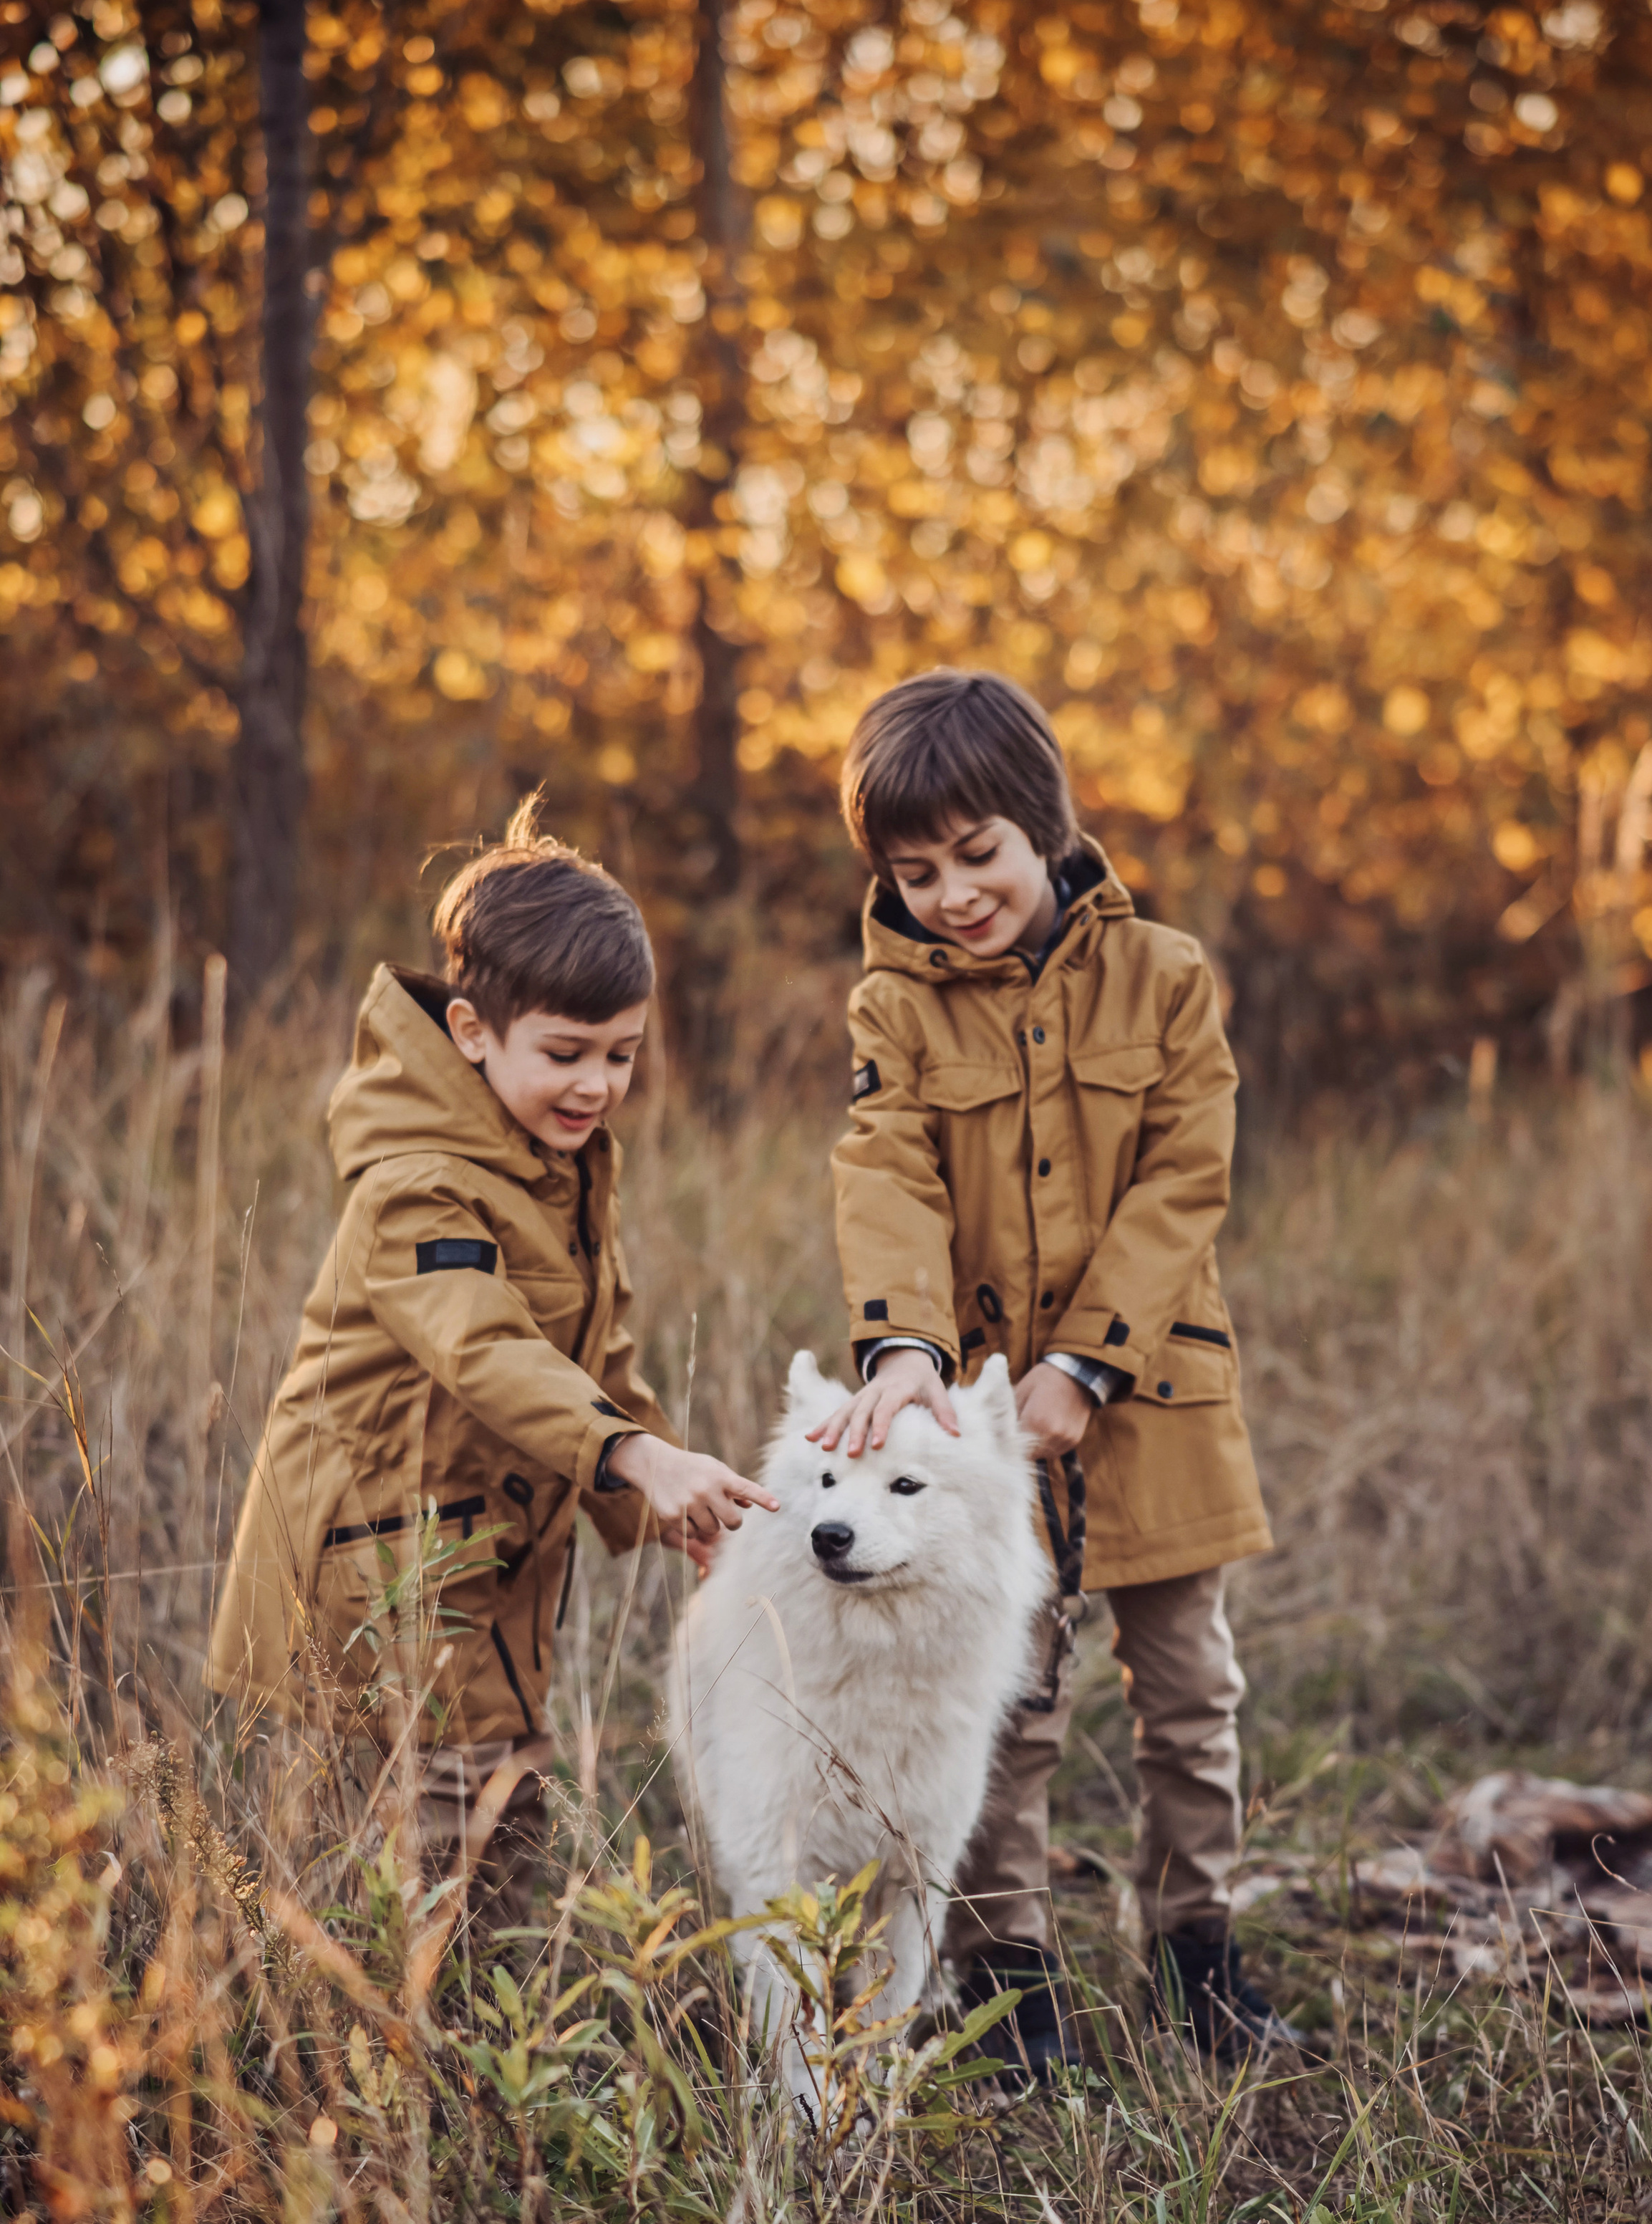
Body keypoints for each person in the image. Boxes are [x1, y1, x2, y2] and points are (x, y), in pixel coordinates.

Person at [816, 669, 1293, 2074]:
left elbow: (1181, 1182)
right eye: (916, 874)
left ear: (1044, 828)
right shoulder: (890, 1011)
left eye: (978, 858)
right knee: (1004, 1697)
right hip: (976, 1429)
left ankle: (1200, 1960)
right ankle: (1004, 1978)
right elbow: (883, 1173)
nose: (953, 896)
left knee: (1189, 1692)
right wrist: (908, 1353)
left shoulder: (1167, 978)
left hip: (1153, 1406)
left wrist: (1084, 1366)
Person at [208, 799, 773, 1925]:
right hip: (382, 1571)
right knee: (417, 1851)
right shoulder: (416, 1175)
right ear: (471, 1030)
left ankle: (471, 2068)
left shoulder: (556, 1157)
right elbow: (483, 1344)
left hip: (489, 1564)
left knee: (506, 1812)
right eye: (565, 1053)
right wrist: (623, 1454)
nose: (597, 1085)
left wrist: (661, 1487)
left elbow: (590, 1346)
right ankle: (389, 2071)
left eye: (620, 1055)